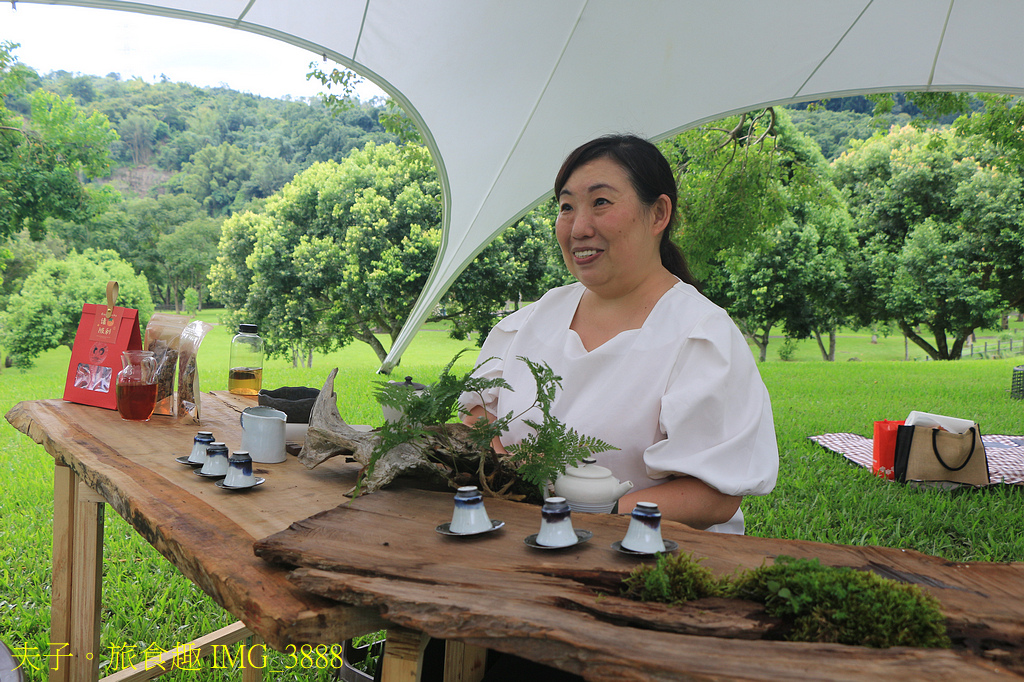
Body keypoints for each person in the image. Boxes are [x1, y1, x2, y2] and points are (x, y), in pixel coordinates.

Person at [461, 133, 778, 534]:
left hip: (649, 553)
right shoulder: (532, 320)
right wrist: (509, 474)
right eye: (566, 207)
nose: (578, 228)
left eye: (601, 202)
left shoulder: (701, 336)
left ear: (658, 214)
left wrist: (583, 516)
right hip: (527, 539)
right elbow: (478, 413)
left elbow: (714, 495)